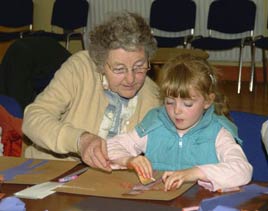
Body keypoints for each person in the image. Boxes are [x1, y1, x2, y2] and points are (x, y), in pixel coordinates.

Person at [22, 12, 160, 171]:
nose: (130, 79)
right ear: (101, 63)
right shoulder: (80, 69)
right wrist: (80, 140)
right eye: (119, 69)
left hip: (105, 184)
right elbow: (33, 118)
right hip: (49, 170)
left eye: (139, 67)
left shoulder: (153, 96)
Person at [107, 55, 253, 192]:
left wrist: (195, 172)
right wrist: (129, 160)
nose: (176, 110)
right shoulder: (155, 125)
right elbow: (109, 146)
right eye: (169, 102)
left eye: (188, 104)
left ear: (208, 101)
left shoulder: (218, 132)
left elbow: (243, 170)